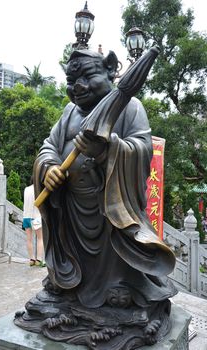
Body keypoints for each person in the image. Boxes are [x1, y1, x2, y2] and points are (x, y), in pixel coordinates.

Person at [29, 49, 177, 347]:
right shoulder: (69, 113)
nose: (78, 86)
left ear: (111, 71)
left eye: (87, 76)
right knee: (73, 263)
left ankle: (121, 291)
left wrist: (108, 149)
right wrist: (49, 168)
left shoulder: (129, 107)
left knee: (116, 260)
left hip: (110, 208)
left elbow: (142, 149)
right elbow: (49, 145)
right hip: (73, 211)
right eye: (72, 80)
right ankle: (69, 288)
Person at [22, 180, 45, 267]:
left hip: (26, 217)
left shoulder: (26, 189)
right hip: (36, 217)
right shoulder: (39, 189)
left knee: (29, 239)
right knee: (40, 239)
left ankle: (31, 259)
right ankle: (39, 260)